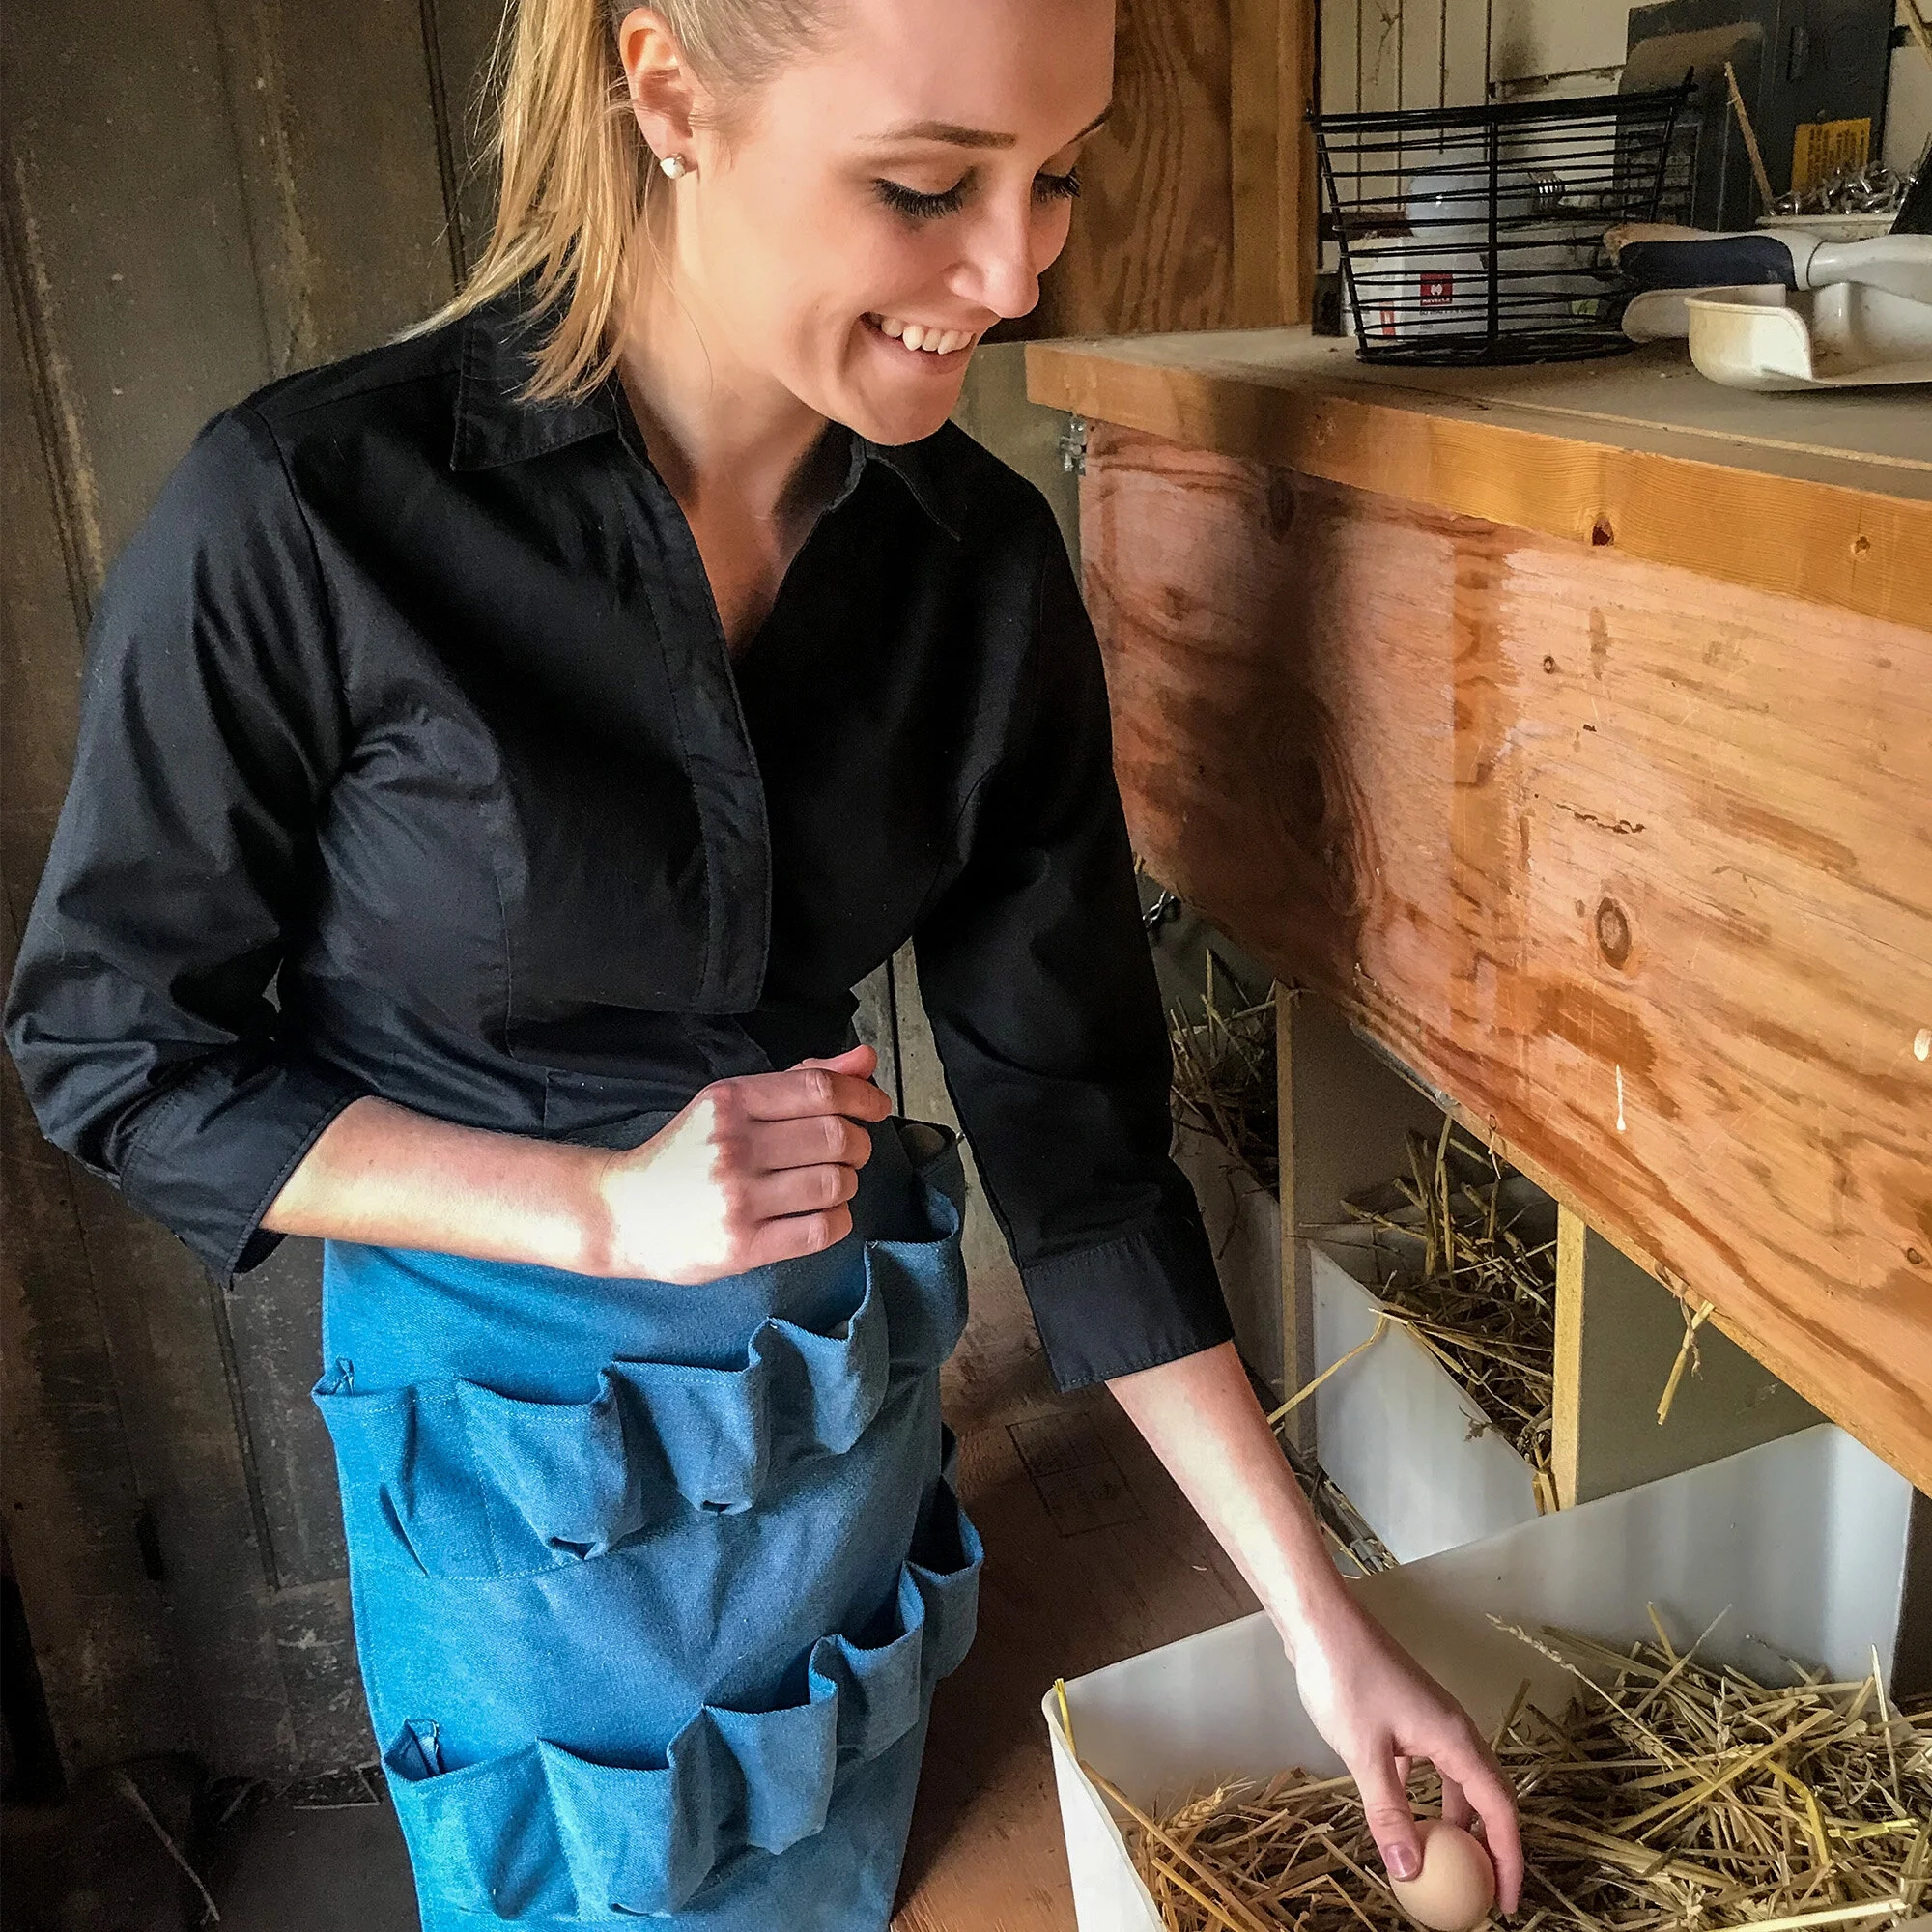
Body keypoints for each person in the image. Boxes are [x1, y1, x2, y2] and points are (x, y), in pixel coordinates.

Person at [3, 0, 1524, 1922]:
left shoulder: (977, 568)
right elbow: (118, 1055)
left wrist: (1322, 1620)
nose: (1014, 274)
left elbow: (1078, 1155)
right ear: (667, 93)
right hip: (517, 1459)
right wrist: (595, 1208)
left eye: (1057, 176)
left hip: (837, 1399)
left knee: (836, 1859)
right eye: (927, 185)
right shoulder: (307, 513)